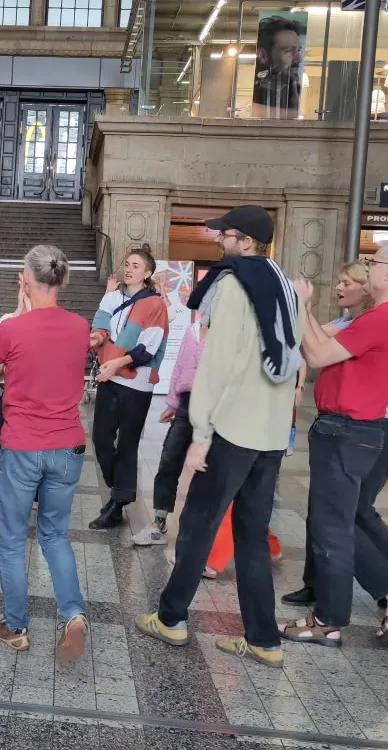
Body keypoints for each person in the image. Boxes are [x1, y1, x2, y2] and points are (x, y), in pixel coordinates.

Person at [136, 205, 302, 671]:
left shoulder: (233, 284)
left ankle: (171, 618)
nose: (219, 240)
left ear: (247, 241)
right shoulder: (284, 286)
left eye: (226, 234)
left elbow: (217, 363)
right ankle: (265, 640)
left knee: (198, 524)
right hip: (269, 434)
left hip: (232, 429)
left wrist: (202, 432)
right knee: (251, 535)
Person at [281, 237, 388, 649]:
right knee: (340, 521)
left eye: (373, 261)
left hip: (347, 431)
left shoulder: (385, 317)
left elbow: (317, 354)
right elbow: (325, 348)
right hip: (352, 430)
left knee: (331, 527)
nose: (369, 267)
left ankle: (328, 621)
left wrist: (303, 306)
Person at [0, 245, 91, 664]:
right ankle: (73, 614)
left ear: (25, 280)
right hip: (67, 443)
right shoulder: (80, 327)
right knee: (55, 536)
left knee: (13, 540)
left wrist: (20, 308)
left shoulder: (11, 330)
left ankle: (16, 627)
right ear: (63, 280)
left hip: (23, 444)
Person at [88, 246, 170, 530]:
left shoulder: (155, 304)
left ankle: (117, 504)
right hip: (109, 377)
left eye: (136, 265)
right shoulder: (112, 296)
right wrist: (97, 339)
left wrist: (118, 363)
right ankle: (119, 491)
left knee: (127, 444)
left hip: (136, 382)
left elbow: (148, 348)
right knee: (101, 439)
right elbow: (100, 323)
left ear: (147, 273)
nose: (129, 269)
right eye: (127, 264)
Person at [131, 318, 203, 547]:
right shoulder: (192, 331)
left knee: (206, 472)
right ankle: (159, 524)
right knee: (168, 462)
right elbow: (179, 367)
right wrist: (172, 404)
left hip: (214, 407)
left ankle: (197, 533)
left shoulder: (227, 330)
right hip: (185, 405)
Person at [0, 274, 32, 523]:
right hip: (9, 393)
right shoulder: (7, 320)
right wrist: (21, 310)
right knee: (6, 445)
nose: (27, 294)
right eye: (24, 289)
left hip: (36, 396)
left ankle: (32, 495)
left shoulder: (48, 323)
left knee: (33, 448)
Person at [251, 15, 305, 120]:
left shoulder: (293, 89)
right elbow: (252, 110)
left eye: (298, 50)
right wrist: (292, 113)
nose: (298, 59)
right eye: (288, 50)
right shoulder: (256, 90)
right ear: (263, 55)